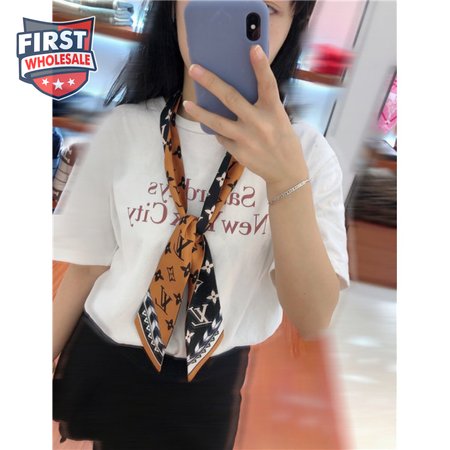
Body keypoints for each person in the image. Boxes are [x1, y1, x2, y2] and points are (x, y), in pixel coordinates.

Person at [52, 1, 350, 449]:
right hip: (109, 355)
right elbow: (86, 269)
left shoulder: (308, 157)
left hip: (210, 378)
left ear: (293, 26)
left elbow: (312, 317)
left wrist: (286, 179)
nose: (231, 15)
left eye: (265, 9)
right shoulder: (124, 129)